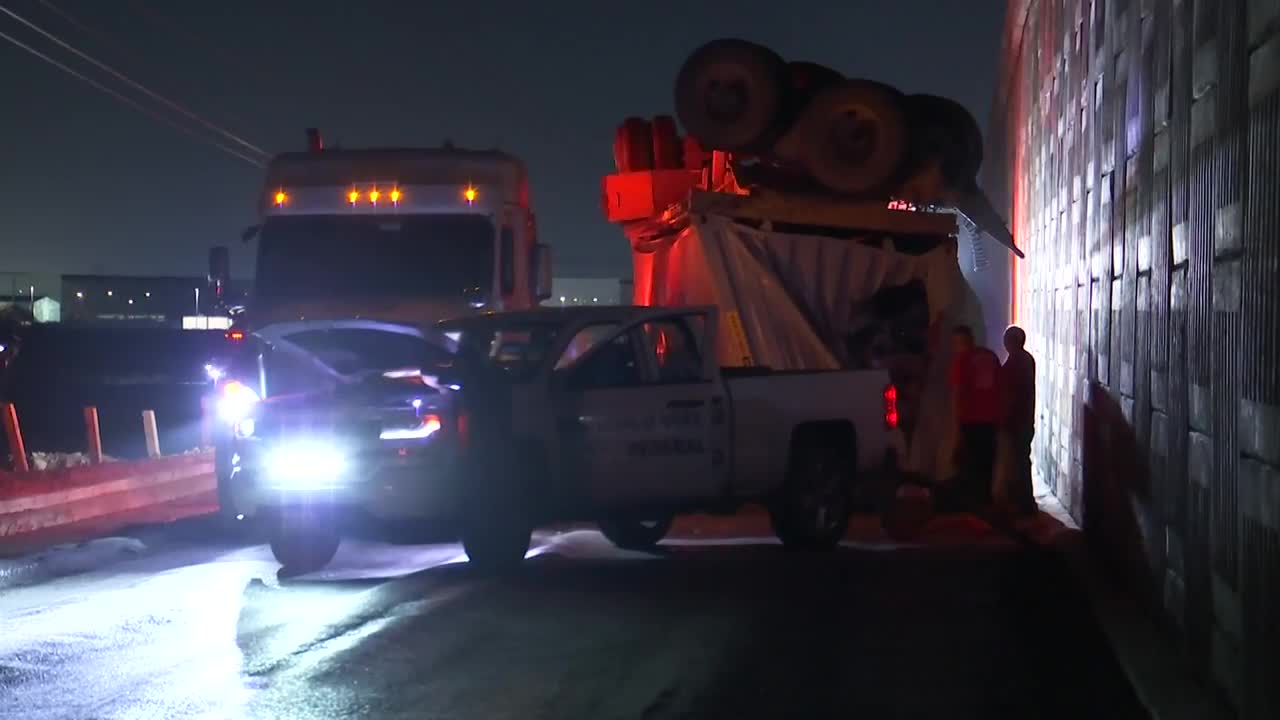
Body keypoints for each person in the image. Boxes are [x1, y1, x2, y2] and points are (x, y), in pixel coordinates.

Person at [948, 324, 1003, 507]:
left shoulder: (962, 361)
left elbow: (958, 394)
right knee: (987, 465)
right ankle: (987, 504)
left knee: (969, 467)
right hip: (992, 420)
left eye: (955, 344)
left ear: (961, 342)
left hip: (970, 421)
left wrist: (955, 430)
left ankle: (972, 509)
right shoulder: (991, 357)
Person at [1000, 325, 1038, 515]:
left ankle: (1025, 503)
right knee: (1022, 460)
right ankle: (1024, 501)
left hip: (1016, 421)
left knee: (1019, 461)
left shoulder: (1015, 362)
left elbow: (1010, 393)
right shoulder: (1026, 359)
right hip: (1025, 420)